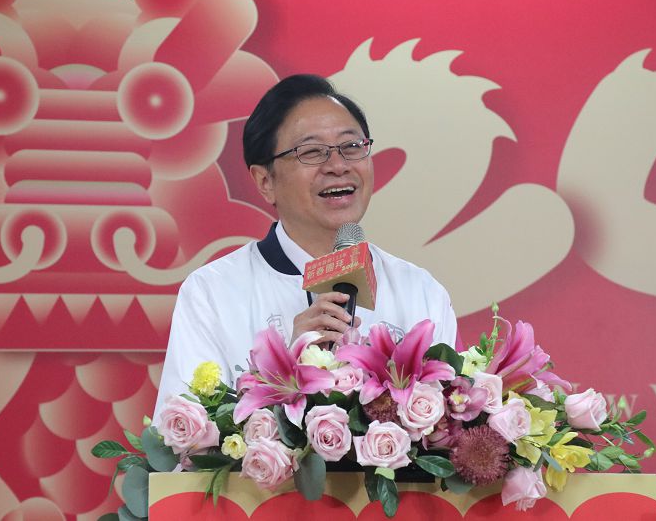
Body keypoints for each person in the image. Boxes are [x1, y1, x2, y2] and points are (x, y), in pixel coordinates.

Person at [153, 74, 456, 417]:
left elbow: (450, 430)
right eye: (312, 152)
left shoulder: (420, 291)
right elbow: (183, 435)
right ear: (265, 181)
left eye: (351, 147)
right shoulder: (212, 293)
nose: (338, 166)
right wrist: (281, 369)